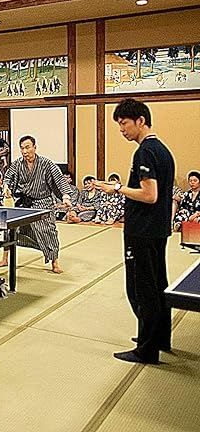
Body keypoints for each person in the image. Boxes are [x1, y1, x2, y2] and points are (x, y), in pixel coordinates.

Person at [95, 98, 174, 364]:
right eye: (119, 124)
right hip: (157, 230)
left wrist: (116, 188)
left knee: (142, 290)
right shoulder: (163, 150)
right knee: (158, 285)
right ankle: (159, 338)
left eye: (124, 123)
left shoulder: (145, 152)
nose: (121, 130)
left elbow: (150, 195)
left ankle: (146, 349)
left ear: (141, 121)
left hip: (142, 231)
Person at [2, 135, 73, 273]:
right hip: (23, 202)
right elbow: (8, 178)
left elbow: (59, 180)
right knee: (10, 227)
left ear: (35, 147)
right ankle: (5, 258)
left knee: (48, 231)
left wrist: (65, 196)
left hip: (42, 202)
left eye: (27, 147)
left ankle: (55, 262)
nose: (24, 151)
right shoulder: (17, 164)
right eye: (22, 148)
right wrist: (6, 187)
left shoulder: (46, 164)